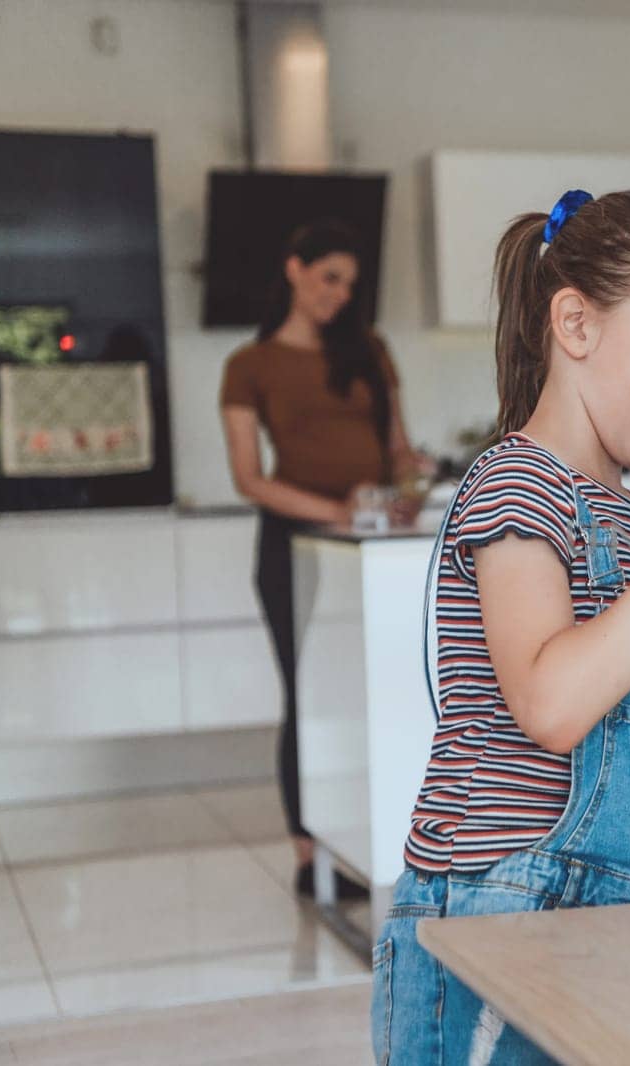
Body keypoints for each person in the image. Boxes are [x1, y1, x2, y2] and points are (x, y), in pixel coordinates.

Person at [371, 189, 630, 1065]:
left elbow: (599, 688)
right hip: (503, 909)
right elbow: (550, 703)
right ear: (576, 326)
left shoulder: (623, 518)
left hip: (613, 907)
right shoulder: (518, 484)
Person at [219, 219, 423, 898]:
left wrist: (404, 492)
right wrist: (340, 510)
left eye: (350, 284)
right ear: (295, 269)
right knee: (309, 694)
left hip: (369, 549)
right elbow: (249, 478)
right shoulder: (250, 366)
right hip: (296, 547)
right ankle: (312, 849)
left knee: (367, 693)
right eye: (330, 277)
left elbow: (398, 448)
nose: (340, 294)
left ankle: (371, 832)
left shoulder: (368, 350)